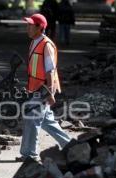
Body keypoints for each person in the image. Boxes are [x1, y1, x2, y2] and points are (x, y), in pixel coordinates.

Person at [17, 13, 71, 161]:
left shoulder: (46, 45)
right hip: (36, 88)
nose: (27, 28)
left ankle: (30, 154)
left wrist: (50, 93)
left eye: (30, 25)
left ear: (39, 28)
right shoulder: (35, 41)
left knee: (32, 119)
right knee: (47, 122)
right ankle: (70, 145)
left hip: (43, 89)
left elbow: (50, 71)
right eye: (27, 24)